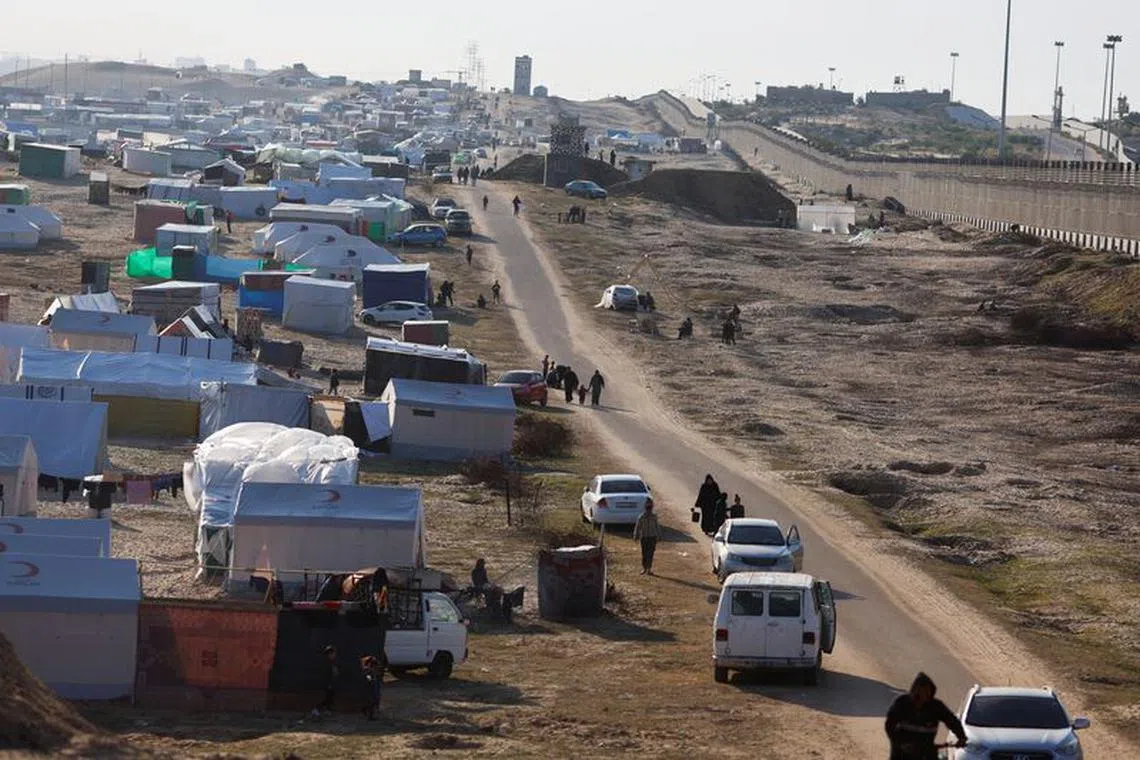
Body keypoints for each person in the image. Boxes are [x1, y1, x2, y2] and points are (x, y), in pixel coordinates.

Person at [885, 673, 967, 760]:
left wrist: (961, 737)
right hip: (901, 754)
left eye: (927, 692)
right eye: (920, 693)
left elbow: (951, 720)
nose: (924, 696)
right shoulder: (901, 703)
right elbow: (889, 725)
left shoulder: (936, 707)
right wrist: (900, 744)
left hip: (926, 753)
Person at [633, 501, 661, 575]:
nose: (649, 509)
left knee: (651, 553)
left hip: (652, 537)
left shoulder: (654, 517)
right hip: (644, 537)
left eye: (650, 508)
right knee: (644, 553)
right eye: (647, 508)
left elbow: (657, 527)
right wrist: (636, 535)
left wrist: (658, 535)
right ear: (645, 508)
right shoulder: (641, 517)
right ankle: (644, 568)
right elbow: (638, 527)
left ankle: (649, 569)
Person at [311, 645, 338, 719]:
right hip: (326, 683)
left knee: (330, 697)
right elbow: (325, 674)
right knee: (326, 698)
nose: (334, 655)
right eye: (333, 654)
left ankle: (326, 710)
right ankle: (316, 710)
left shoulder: (331, 662)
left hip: (329, 683)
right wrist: (328, 683)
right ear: (330, 654)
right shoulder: (326, 663)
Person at [360, 655, 382, 721]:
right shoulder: (367, 671)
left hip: (373, 689)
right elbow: (368, 678)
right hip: (370, 690)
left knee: (374, 701)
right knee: (371, 702)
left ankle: (368, 713)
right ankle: (369, 715)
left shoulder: (372, 671)